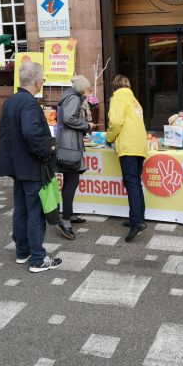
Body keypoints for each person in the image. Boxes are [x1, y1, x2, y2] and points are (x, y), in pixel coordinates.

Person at [0, 61, 62, 273]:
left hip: (17, 166)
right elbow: (31, 133)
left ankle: (22, 252)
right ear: (37, 81)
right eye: (42, 78)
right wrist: (47, 152)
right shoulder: (28, 103)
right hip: (31, 166)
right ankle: (37, 259)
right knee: (36, 212)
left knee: (21, 210)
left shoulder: (11, 100)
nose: (42, 81)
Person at [106, 74, 148, 242]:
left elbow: (115, 122)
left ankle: (136, 222)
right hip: (140, 146)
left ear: (115, 86)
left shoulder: (117, 98)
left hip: (128, 147)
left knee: (131, 183)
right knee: (135, 182)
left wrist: (109, 138)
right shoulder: (134, 100)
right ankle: (138, 218)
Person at [55, 75, 96, 238]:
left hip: (68, 142)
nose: (89, 91)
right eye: (88, 88)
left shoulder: (70, 96)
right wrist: (87, 125)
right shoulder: (75, 98)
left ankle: (68, 214)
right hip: (70, 145)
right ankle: (65, 220)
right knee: (71, 181)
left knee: (71, 180)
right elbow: (69, 118)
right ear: (81, 89)